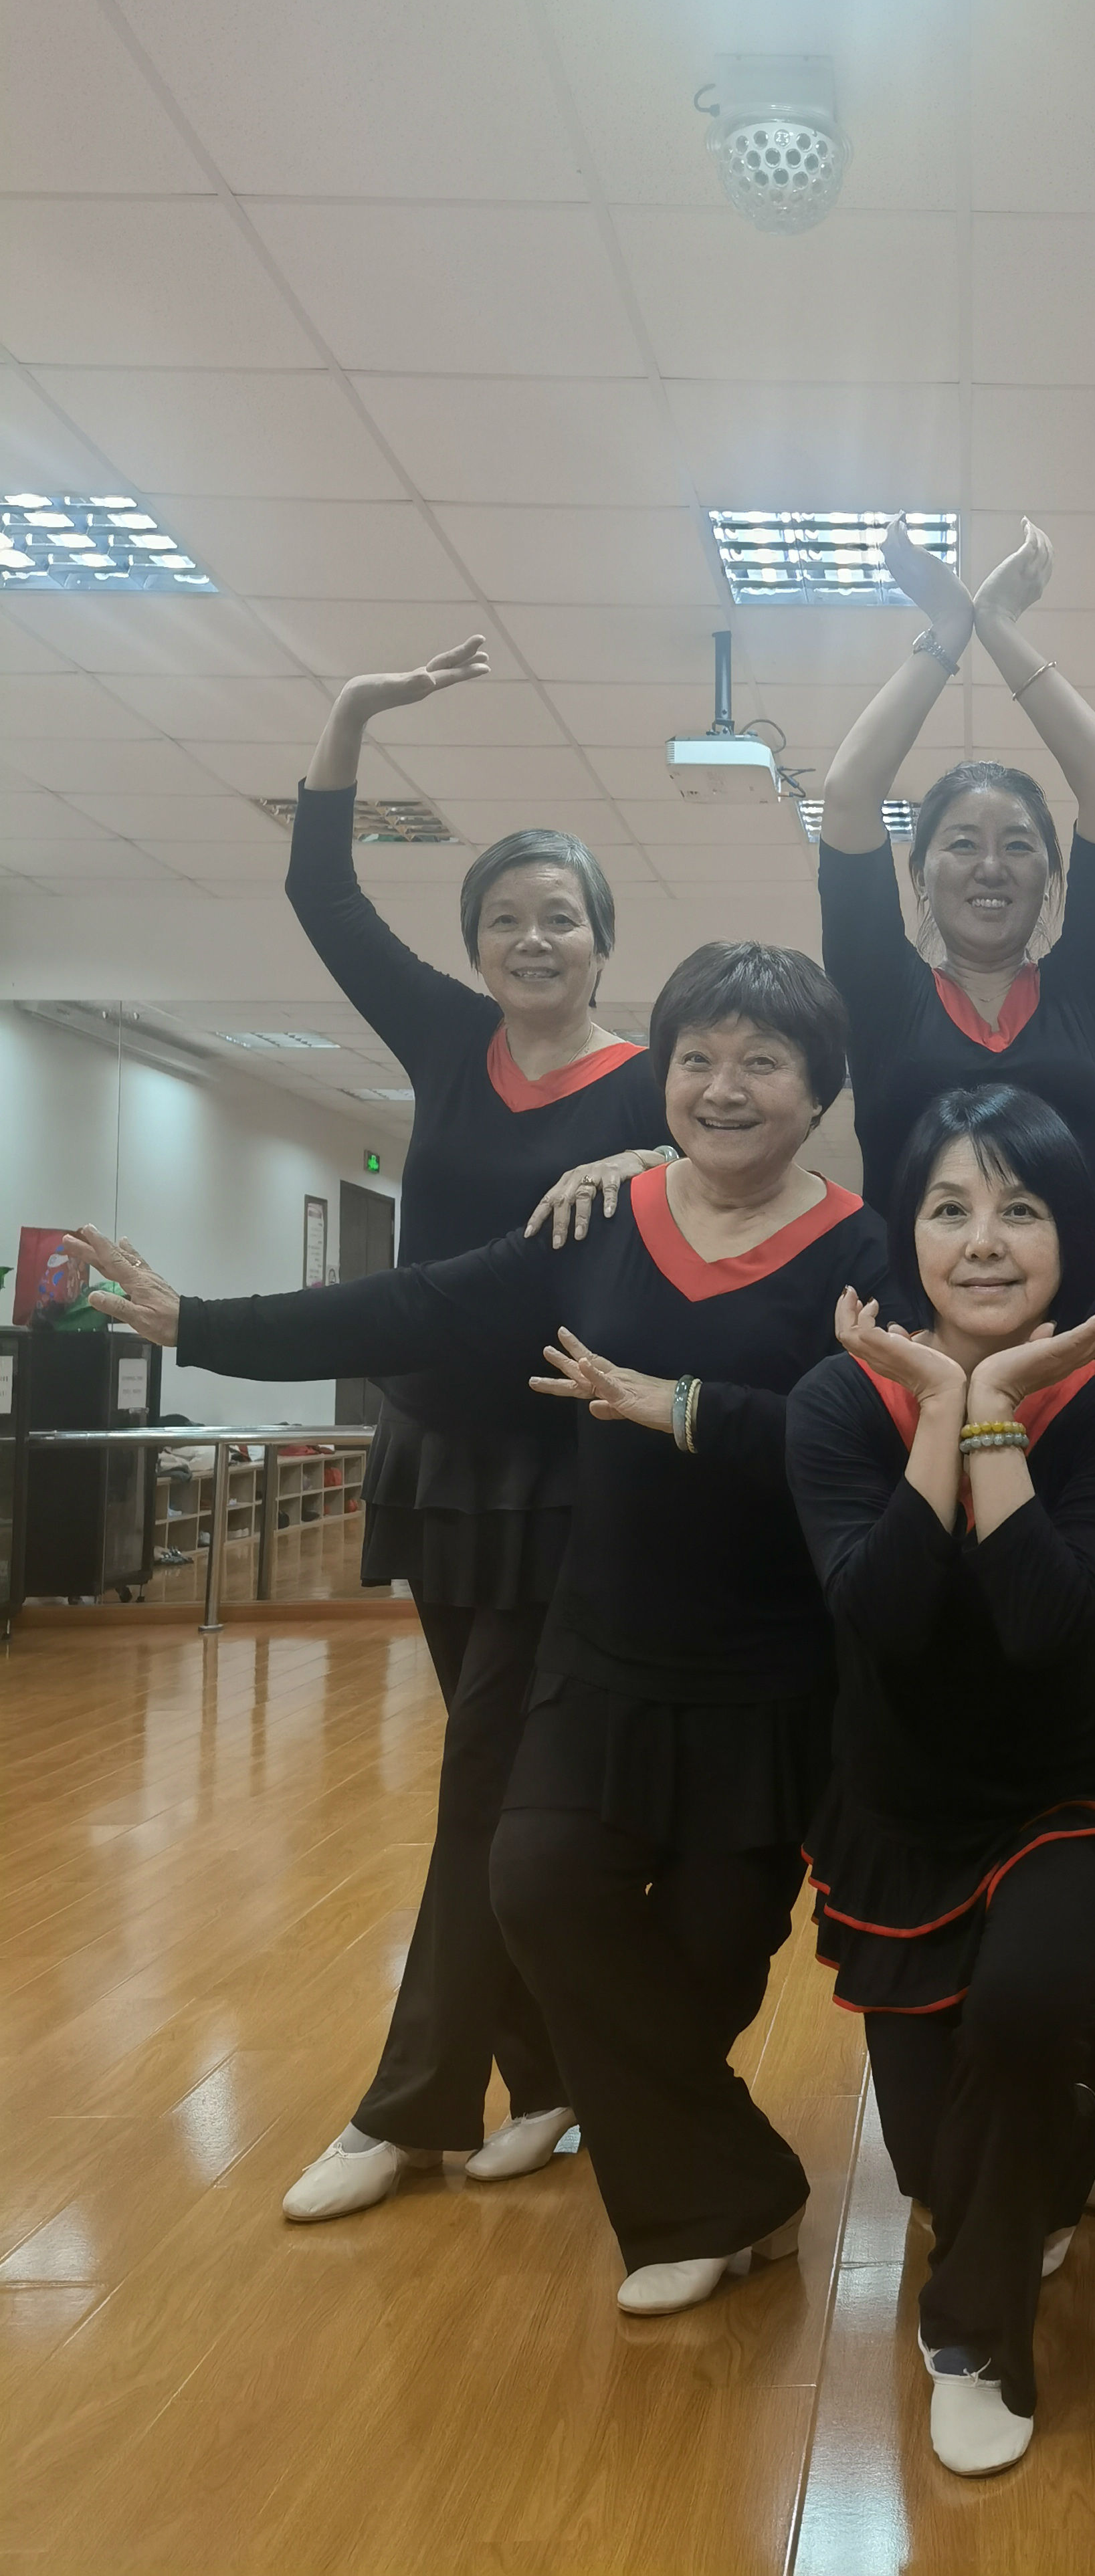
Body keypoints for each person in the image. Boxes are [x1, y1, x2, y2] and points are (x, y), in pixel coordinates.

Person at [72, 944, 892, 2315]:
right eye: (696, 1056)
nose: (723, 1085)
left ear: (819, 1090)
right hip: (599, 1644)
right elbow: (425, 1302)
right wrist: (199, 1322)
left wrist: (683, 1407)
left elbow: (859, 1434)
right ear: (665, 1074)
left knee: (709, 1959)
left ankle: (709, 2198)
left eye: (763, 1061)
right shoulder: (608, 1217)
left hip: (769, 1671)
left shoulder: (862, 1249)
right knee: (539, 1884)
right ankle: (734, 2187)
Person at [274, 638, 672, 2222]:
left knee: (484, 1779)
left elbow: (742, 1184)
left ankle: (409, 2107)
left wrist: (653, 1166)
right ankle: (548, 2072)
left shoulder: (656, 1083)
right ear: (478, 944)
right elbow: (323, 896)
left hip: (568, 1466)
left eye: (558, 914)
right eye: (504, 916)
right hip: (437, 1460)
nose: (531, 937)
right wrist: (351, 719)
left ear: (600, 939)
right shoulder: (446, 1043)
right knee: (498, 1777)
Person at [784, 1085, 1095, 2476]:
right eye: (949, 1207)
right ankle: (1061, 2134)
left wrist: (997, 1413)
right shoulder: (832, 1401)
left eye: (1020, 1209)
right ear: (907, 1233)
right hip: (901, 1800)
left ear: (1068, 1232)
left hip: (1076, 1782)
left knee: (1020, 2009)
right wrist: (939, 1410)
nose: (982, 1240)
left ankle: (973, 2339)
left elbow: (1045, 1625)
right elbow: (883, 1615)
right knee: (931, 2161)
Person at [817, 516, 1095, 1261]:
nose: (991, 866)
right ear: (920, 874)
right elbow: (848, 793)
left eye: (1020, 846)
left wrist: (998, 625)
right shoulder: (881, 993)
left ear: (1053, 875)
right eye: (962, 844)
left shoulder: (1092, 988)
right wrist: (946, 629)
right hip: (920, 1325)